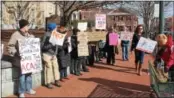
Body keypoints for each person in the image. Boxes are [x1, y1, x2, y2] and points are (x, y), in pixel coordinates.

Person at [8, 19, 36, 97]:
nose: (29, 27)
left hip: (29, 59)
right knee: (22, 76)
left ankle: (29, 89)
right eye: (27, 25)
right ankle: (21, 92)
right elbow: (10, 45)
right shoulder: (15, 34)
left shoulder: (30, 35)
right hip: (20, 59)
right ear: (23, 26)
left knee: (29, 75)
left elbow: (34, 45)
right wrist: (15, 52)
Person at [41, 23, 61, 89]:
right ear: (52, 28)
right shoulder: (46, 34)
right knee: (48, 68)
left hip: (53, 54)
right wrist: (50, 45)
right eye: (55, 28)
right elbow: (42, 46)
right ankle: (48, 82)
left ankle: (57, 80)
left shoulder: (56, 34)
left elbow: (57, 45)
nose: (56, 29)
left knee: (56, 67)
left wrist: (55, 53)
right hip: (47, 54)